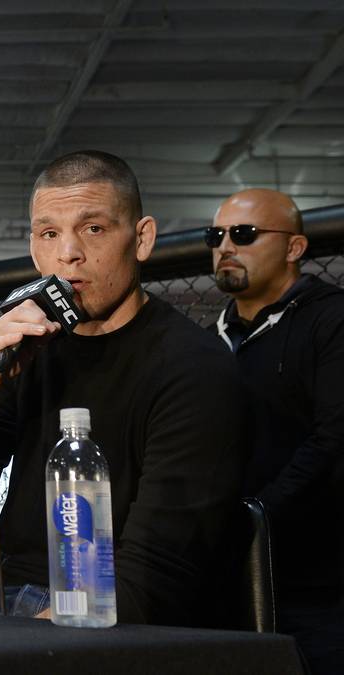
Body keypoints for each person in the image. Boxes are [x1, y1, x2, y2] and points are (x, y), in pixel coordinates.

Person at [0, 150, 248, 627]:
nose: (68, 253)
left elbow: (154, 581)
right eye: (49, 233)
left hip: (116, 615)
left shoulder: (194, 367)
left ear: (141, 239)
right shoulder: (21, 345)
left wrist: (9, 647)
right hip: (9, 600)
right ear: (34, 248)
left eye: (93, 228)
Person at [209, 188, 344, 672]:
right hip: (227, 577)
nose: (226, 246)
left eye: (244, 233)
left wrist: (257, 516)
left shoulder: (331, 319)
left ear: (294, 248)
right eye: (215, 236)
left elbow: (333, 439)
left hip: (319, 585)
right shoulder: (209, 341)